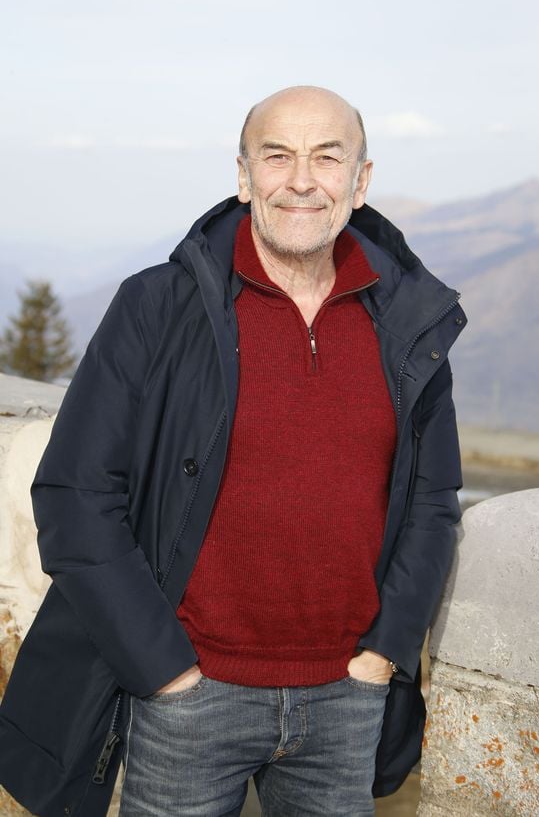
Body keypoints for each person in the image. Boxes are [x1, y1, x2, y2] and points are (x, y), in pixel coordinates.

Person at [0, 86, 466, 817]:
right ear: (244, 176)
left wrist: (384, 654)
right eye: (277, 156)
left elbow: (433, 503)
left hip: (347, 700)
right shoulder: (158, 306)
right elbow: (74, 494)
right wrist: (163, 670)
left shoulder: (409, 322)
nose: (302, 180)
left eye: (327, 157)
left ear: (361, 181)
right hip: (190, 694)